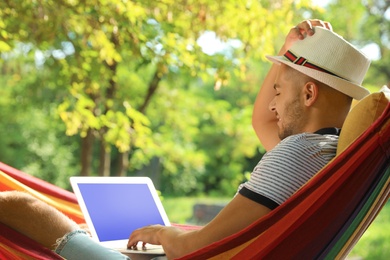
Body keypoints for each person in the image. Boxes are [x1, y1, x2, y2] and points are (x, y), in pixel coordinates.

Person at [0, 19, 370, 260]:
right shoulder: (323, 152)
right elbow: (264, 122)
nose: (272, 104)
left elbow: (199, 246)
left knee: (19, 205)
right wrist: (287, 55)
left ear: (308, 96)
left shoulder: (293, 154)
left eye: (278, 91)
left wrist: (163, 233)